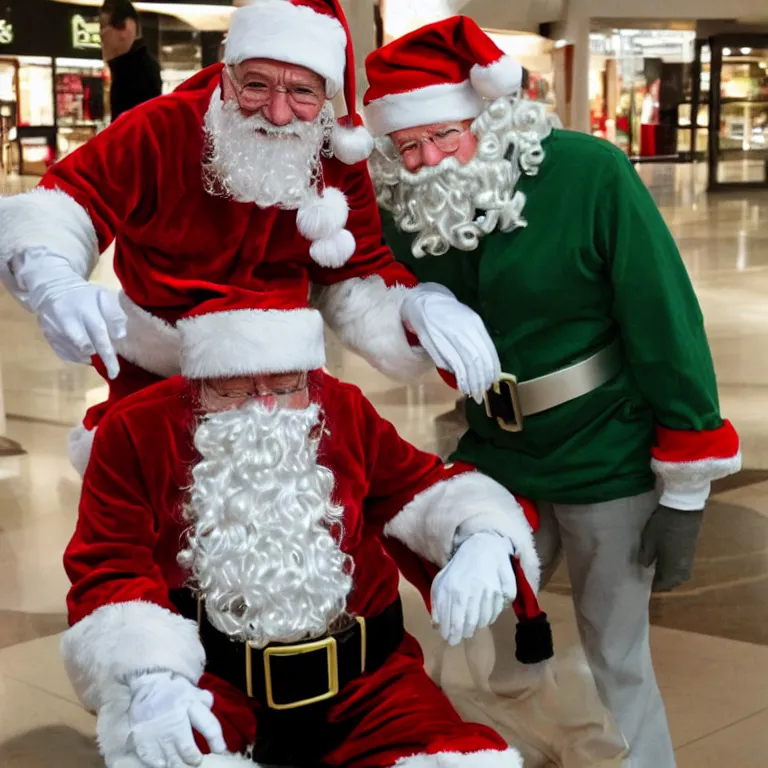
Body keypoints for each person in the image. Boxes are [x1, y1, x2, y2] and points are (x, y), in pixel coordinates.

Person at [363, 16, 741, 768]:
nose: (429, 160)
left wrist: (688, 483)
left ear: (488, 116)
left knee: (616, 655)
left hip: (608, 446)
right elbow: (360, 282)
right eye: (409, 146)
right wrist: (411, 303)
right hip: (495, 458)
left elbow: (665, 318)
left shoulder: (588, 172)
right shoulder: (403, 203)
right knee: (488, 651)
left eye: (444, 136)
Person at [0, 0, 499, 476]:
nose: (278, 113)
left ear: (325, 98)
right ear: (226, 76)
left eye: (302, 93)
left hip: (283, 396)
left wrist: (413, 310)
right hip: (154, 389)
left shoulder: (335, 160)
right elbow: (68, 199)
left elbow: (357, 271)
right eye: (257, 85)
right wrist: (53, 277)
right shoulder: (163, 129)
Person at [60, 283, 546, 768]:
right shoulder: (139, 429)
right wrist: (150, 677)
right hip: (217, 685)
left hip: (367, 683)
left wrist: (480, 536)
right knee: (160, 750)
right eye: (236, 386)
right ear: (200, 381)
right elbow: (108, 564)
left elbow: (421, 485)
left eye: (286, 385)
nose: (265, 405)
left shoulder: (339, 408)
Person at [100, 0, 162, 121]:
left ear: (127, 27)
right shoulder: (126, 68)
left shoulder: (138, 72)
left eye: (104, 26)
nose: (101, 35)